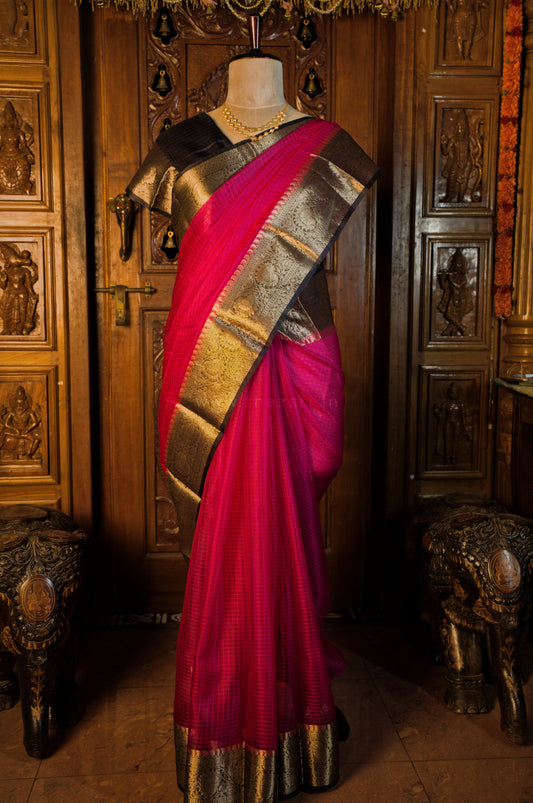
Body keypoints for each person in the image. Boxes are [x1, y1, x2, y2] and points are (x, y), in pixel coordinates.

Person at [127, 46, 378, 803]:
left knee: (295, 504)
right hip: (210, 364)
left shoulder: (325, 146)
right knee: (233, 525)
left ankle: (288, 691)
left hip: (300, 352)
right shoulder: (181, 149)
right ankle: (228, 717)